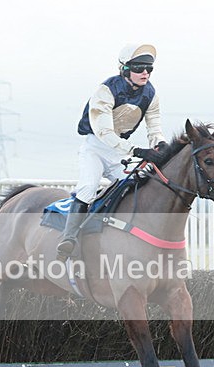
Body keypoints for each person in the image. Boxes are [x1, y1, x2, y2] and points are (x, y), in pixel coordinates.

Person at [56, 43, 168, 259]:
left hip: (120, 152)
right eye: (139, 68)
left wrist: (160, 143)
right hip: (95, 147)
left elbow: (154, 127)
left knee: (141, 184)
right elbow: (104, 132)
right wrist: (137, 150)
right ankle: (68, 238)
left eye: (149, 68)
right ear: (125, 69)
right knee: (88, 187)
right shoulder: (106, 90)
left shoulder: (151, 93)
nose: (145, 72)